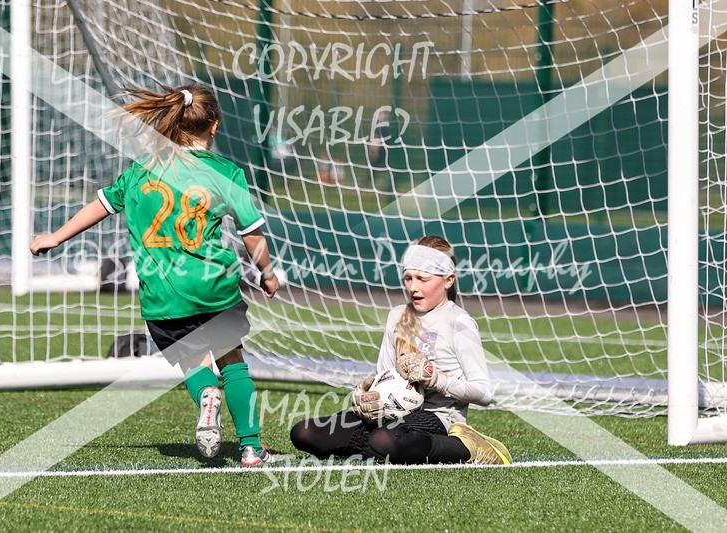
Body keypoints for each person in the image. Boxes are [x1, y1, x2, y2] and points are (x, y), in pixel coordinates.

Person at [30, 84, 279, 466]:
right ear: (214, 126)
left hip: (163, 295)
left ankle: (206, 395)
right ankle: (250, 448)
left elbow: (101, 205)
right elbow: (252, 234)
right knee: (233, 360)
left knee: (193, 363)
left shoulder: (141, 171)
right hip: (214, 286)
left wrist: (56, 236)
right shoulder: (226, 173)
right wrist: (267, 272)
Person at [290, 236, 512, 465]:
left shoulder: (459, 321)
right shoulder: (397, 315)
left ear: (449, 280)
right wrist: (367, 395)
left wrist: (436, 380)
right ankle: (381, 449)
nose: (413, 287)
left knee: (384, 439)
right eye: (408, 278)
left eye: (422, 279)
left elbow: (484, 393)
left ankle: (467, 448)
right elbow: (385, 376)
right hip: (390, 415)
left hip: (438, 417)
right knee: (304, 433)